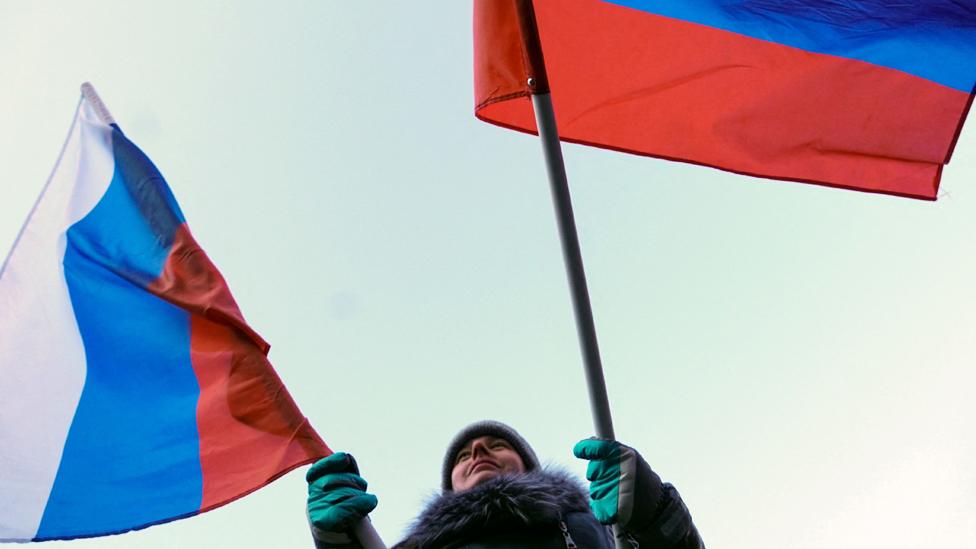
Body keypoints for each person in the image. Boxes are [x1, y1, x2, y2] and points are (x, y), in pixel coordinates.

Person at [307, 420, 704, 548]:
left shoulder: (598, 527)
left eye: (496, 445)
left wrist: (656, 517)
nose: (478, 450)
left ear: (527, 467)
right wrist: (338, 540)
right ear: (452, 487)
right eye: (464, 456)